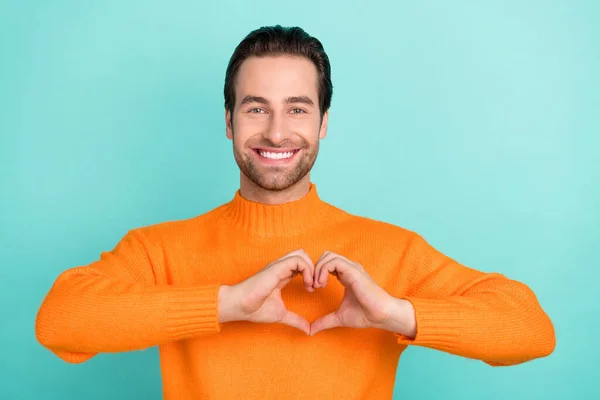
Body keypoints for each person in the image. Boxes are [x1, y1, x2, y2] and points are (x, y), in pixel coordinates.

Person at [35, 25, 556, 400]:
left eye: (298, 109)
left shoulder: (392, 252)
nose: (277, 132)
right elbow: (59, 320)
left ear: (324, 123)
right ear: (229, 121)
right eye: (256, 107)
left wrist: (394, 313)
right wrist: (228, 304)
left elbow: (531, 329)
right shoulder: (160, 249)